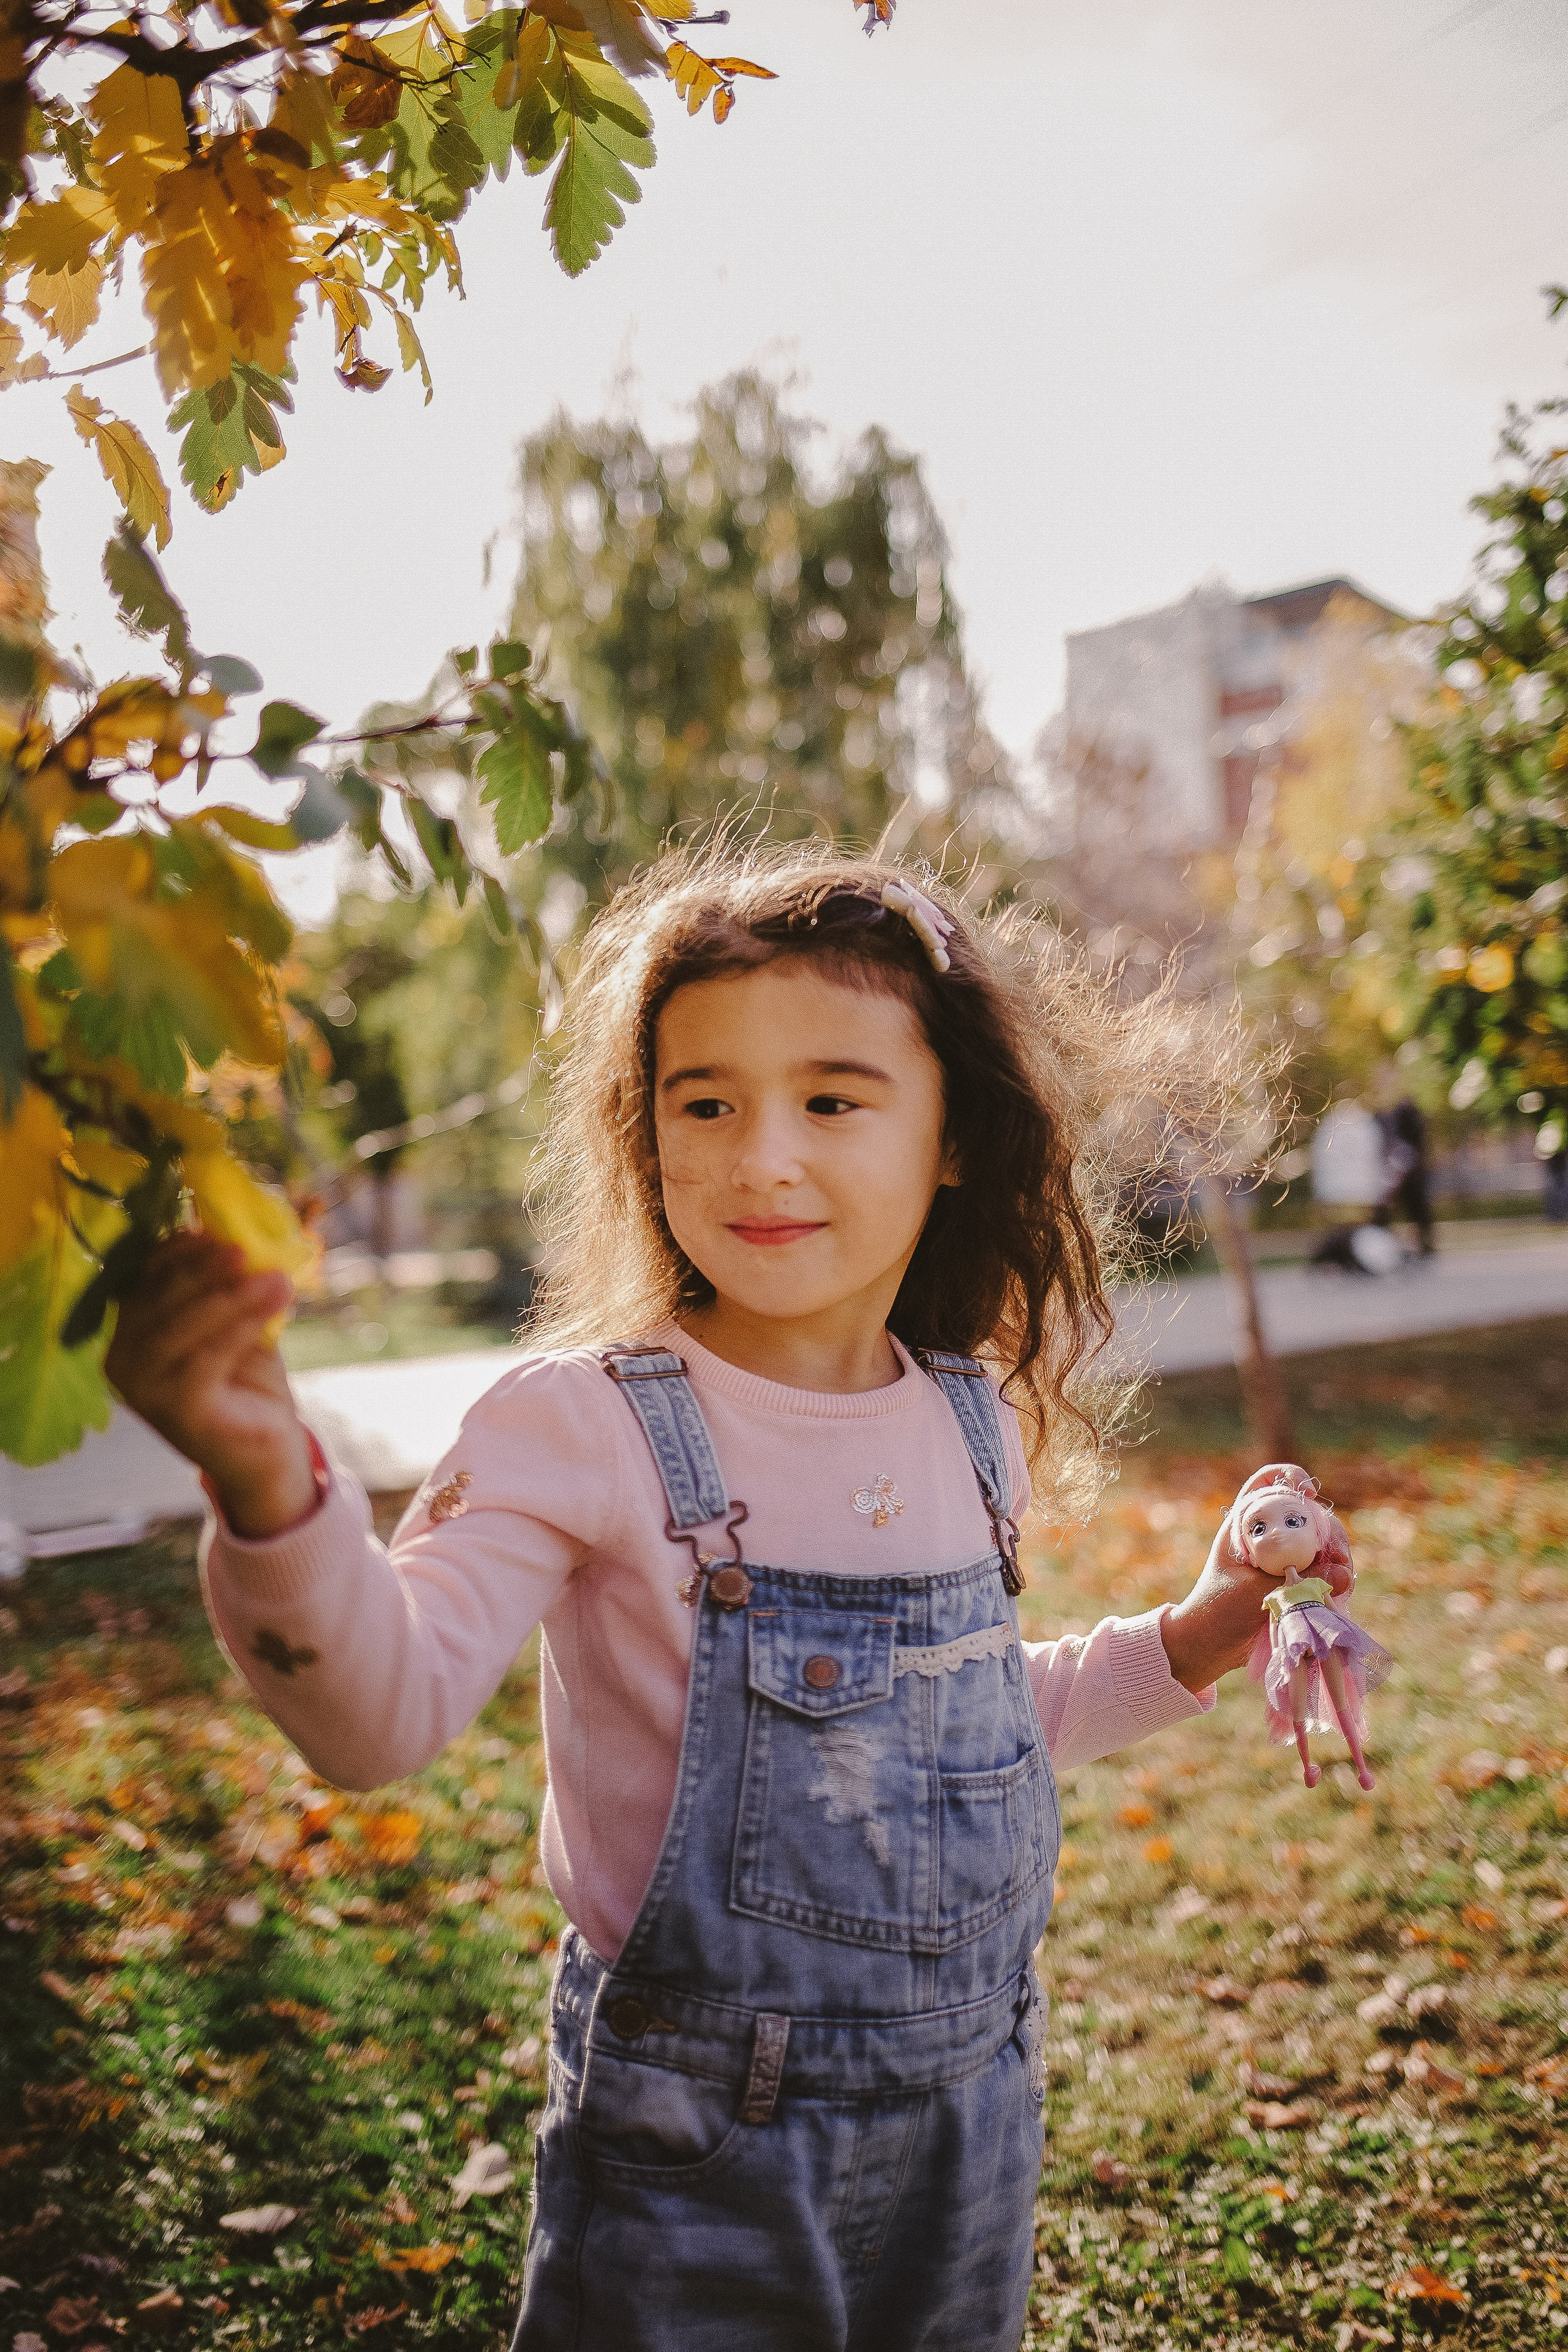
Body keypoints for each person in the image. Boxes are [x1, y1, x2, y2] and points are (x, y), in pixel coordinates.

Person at [107, 849, 1348, 2352]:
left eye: (831, 1098)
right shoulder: (582, 1422)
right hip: (696, 2144)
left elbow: (957, 1725)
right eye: (705, 1102)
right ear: (646, 1137)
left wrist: (1203, 1623)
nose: (761, 1156)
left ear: (951, 1133)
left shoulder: (968, 1416)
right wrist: (262, 1483)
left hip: (973, 2116)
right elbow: (377, 1716)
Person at [1371, 1087, 1436, 1257]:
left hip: (1408, 1167)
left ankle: (1424, 1242)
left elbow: (1416, 1140)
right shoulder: (1380, 1115)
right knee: (1387, 1209)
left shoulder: (1405, 1113)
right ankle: (1380, 1244)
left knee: (1413, 1207)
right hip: (1395, 1167)